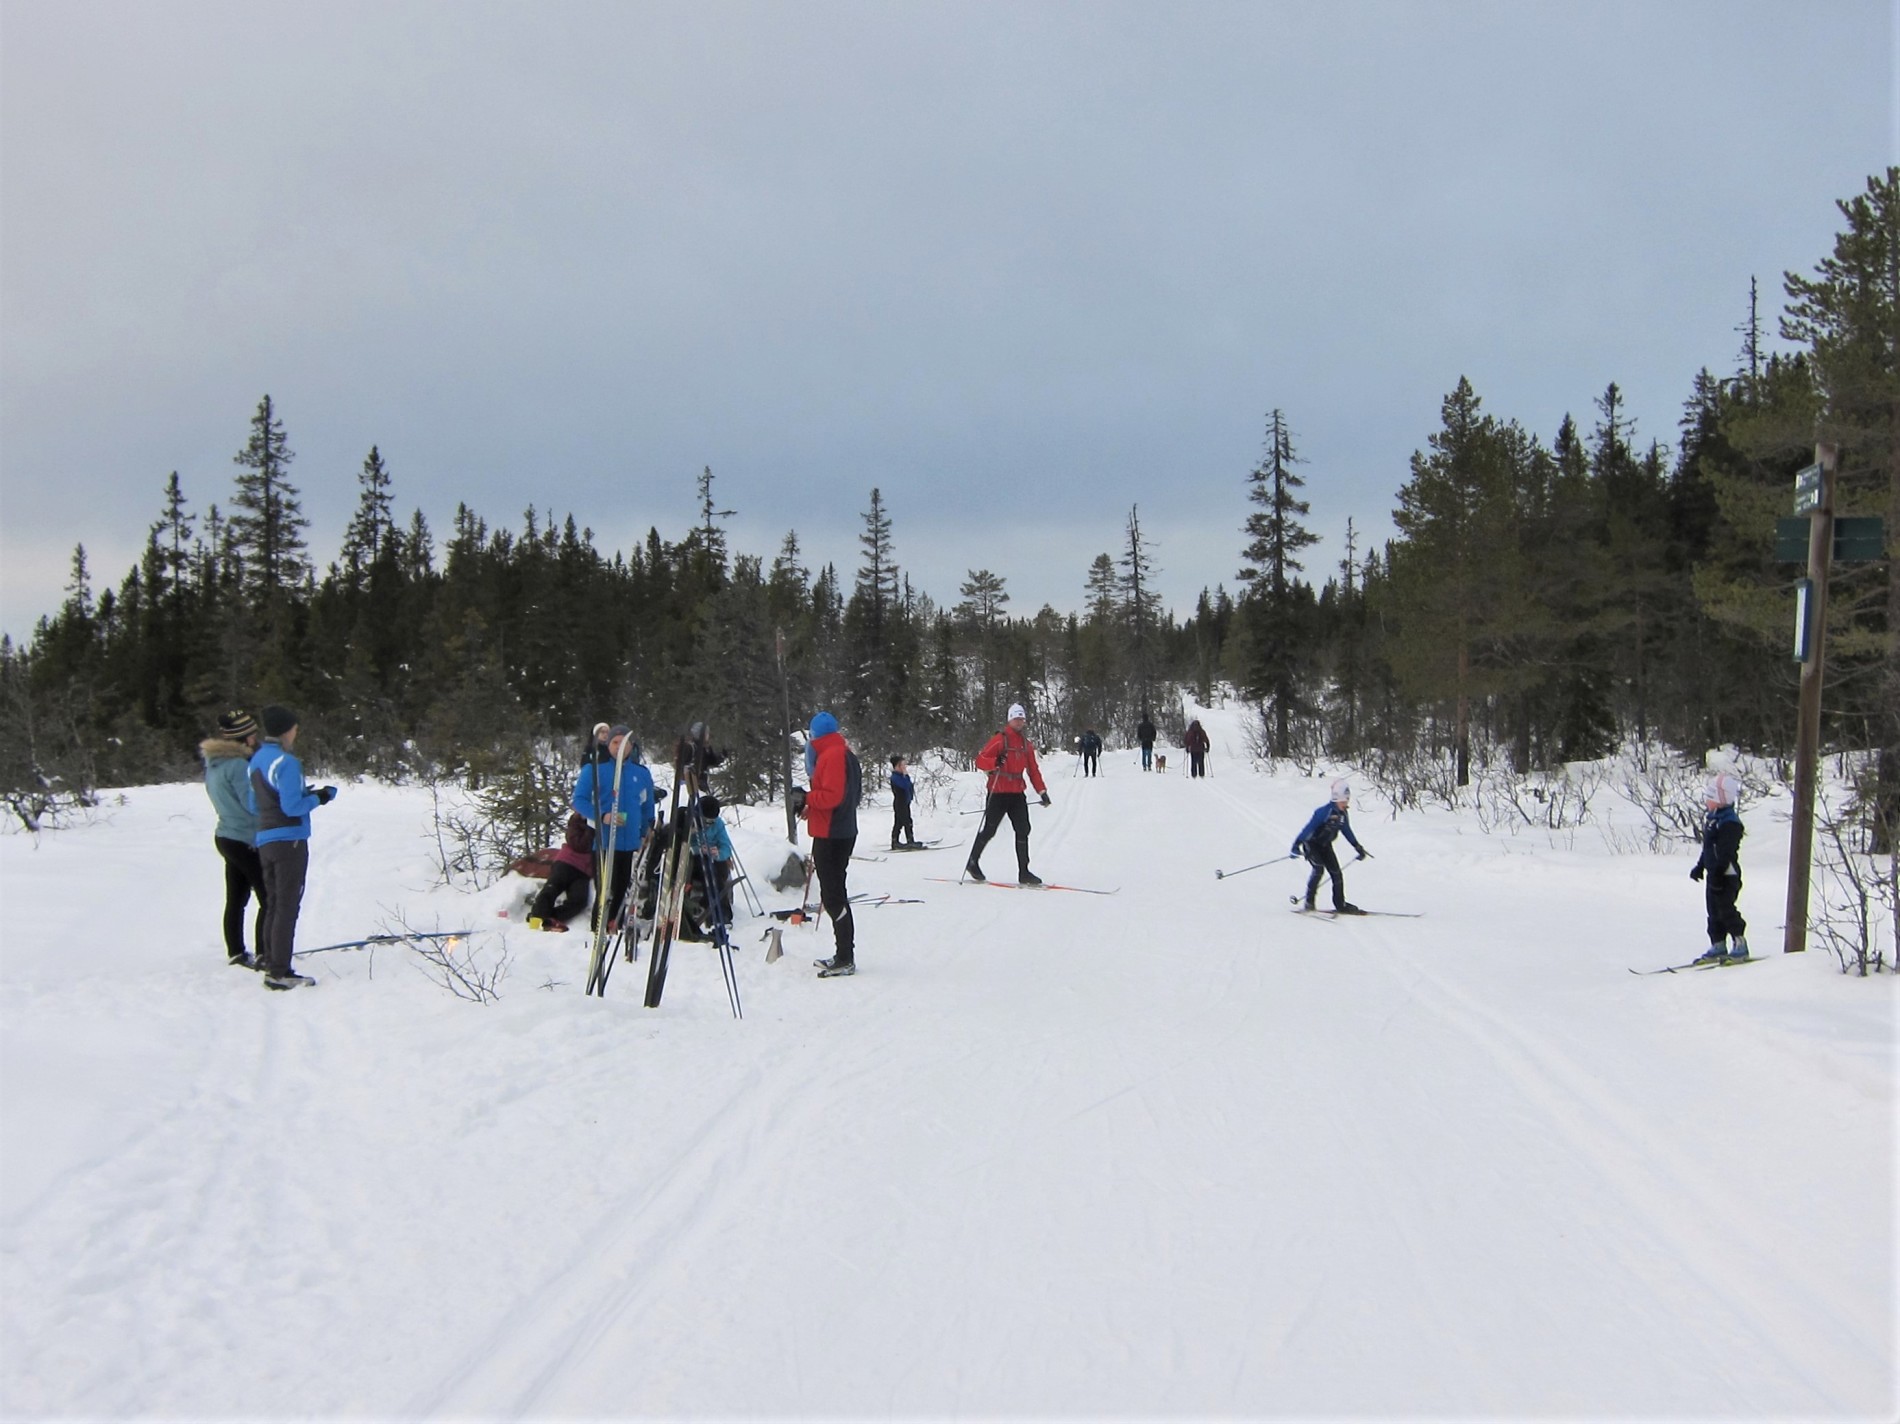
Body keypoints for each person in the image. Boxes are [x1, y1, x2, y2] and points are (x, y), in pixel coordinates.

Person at [247, 706, 337, 989]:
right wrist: (320, 797)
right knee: (287, 905)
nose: (296, 733)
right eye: (295, 729)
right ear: (286, 730)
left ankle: (271, 960)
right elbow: (292, 806)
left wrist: (300, 795)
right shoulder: (286, 762)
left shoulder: (257, 760)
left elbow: (254, 804)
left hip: (266, 839)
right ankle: (279, 972)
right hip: (290, 841)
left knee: (273, 903)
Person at [572, 724, 656, 933]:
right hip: (604, 841)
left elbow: (647, 806)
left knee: (622, 888)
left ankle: (615, 925)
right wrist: (603, 816)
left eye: (624, 742)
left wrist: (646, 830)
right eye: (615, 742)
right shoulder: (594, 769)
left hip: (629, 842)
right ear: (607, 744)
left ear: (632, 745)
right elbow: (579, 801)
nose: (620, 747)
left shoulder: (640, 773)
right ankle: (598, 929)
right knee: (605, 890)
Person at [203, 708, 267, 968]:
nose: (256, 738)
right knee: (269, 898)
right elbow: (251, 804)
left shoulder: (215, 763)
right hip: (245, 839)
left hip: (226, 836)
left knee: (237, 900)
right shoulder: (239, 766)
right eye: (252, 734)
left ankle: (237, 952)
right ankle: (266, 954)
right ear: (244, 738)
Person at [802, 711, 861, 977]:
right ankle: (843, 954)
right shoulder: (844, 753)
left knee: (833, 896)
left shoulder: (832, 755)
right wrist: (810, 805)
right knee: (834, 894)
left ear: (816, 735)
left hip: (833, 834)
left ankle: (845, 957)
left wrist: (807, 799)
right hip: (839, 830)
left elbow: (833, 796)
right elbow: (848, 796)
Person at [966, 703, 1050, 885]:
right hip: (998, 791)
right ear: (1009, 720)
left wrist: (1042, 791)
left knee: (1023, 829)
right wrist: (994, 761)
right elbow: (980, 760)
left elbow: (1033, 770)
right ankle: (972, 862)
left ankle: (1024, 872)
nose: (1019, 722)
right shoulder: (1000, 739)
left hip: (1017, 793)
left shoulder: (1026, 745)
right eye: (1016, 718)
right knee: (990, 829)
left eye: (1022, 719)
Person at [1691, 772, 1748, 962]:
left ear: (1721, 798)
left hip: (1726, 874)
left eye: (1710, 796)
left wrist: (1718, 873)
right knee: (1713, 911)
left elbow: (1726, 853)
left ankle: (1740, 943)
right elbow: (1708, 849)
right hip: (1713, 874)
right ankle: (1718, 944)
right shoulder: (1713, 820)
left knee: (1725, 908)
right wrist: (1700, 866)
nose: (1707, 801)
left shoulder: (1729, 823)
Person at [1292, 778, 1368, 914]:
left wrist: (1357, 847)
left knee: (1336, 874)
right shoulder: (1324, 812)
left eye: (1347, 800)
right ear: (1336, 799)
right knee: (1319, 869)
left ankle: (1340, 905)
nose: (1346, 803)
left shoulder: (1343, 814)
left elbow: (1346, 830)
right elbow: (1309, 829)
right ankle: (1309, 902)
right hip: (1312, 844)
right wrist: (1297, 844)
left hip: (1326, 846)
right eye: (1343, 801)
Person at [678, 794, 736, 941]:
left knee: (715, 874)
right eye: (706, 821)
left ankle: (721, 914)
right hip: (692, 860)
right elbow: (679, 842)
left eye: (712, 822)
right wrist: (697, 849)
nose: (709, 824)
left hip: (712, 860)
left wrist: (718, 853)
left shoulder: (718, 824)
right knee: (704, 869)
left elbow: (726, 846)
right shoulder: (687, 819)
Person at [525, 813, 595, 931]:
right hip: (567, 862)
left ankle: (552, 918)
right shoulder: (576, 823)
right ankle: (537, 916)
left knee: (579, 901)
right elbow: (579, 845)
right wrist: (592, 829)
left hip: (583, 872)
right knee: (552, 888)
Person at [889, 755, 918, 849]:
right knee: (905, 822)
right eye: (902, 765)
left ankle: (896, 841)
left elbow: (909, 786)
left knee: (901, 822)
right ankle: (908, 840)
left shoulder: (903, 776)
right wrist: (905, 776)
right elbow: (905, 786)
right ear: (897, 766)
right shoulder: (895, 777)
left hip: (905, 802)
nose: (905, 767)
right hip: (900, 803)